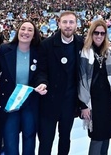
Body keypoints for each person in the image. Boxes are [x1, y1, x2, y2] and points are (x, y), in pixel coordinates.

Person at [0, 20, 47, 155]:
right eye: (23, 29)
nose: (25, 32)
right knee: (10, 138)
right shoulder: (5, 49)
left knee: (29, 137)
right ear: (18, 31)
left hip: (30, 102)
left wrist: (42, 83)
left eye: (30, 30)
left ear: (34, 35)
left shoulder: (38, 51)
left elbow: (41, 73)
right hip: (11, 102)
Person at [36, 11, 84, 155]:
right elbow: (41, 70)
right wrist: (42, 82)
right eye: (65, 22)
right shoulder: (46, 44)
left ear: (76, 25)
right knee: (46, 140)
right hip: (49, 100)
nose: (68, 26)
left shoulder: (81, 43)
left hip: (69, 101)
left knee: (65, 139)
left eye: (71, 22)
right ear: (59, 24)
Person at [79, 19, 111, 155]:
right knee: (96, 136)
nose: (99, 36)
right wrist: (84, 105)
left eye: (102, 33)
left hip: (108, 100)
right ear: (91, 33)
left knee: (107, 135)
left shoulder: (110, 52)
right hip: (92, 101)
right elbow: (81, 80)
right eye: (96, 32)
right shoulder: (84, 53)